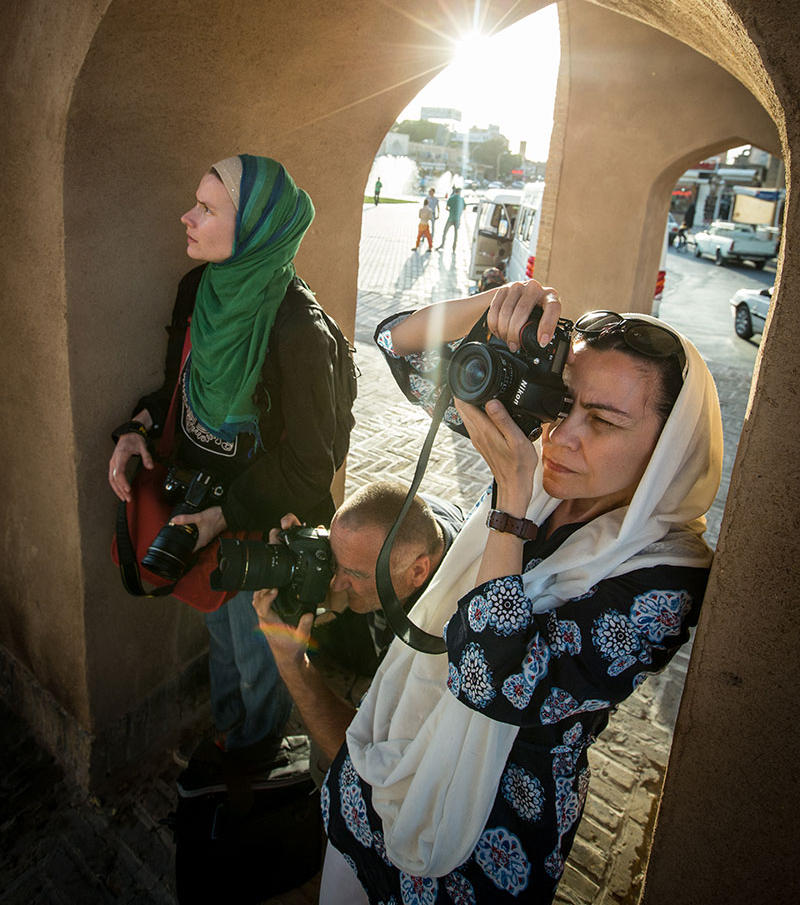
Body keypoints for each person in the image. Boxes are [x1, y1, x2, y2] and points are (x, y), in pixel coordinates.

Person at [319, 278, 722, 903]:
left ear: (667, 449)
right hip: (386, 766)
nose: (559, 438)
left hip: (488, 833)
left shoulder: (667, 580)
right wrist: (493, 307)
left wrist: (510, 506)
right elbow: (398, 345)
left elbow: (495, 681)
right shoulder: (544, 478)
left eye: (603, 420)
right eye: (563, 405)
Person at [108, 154, 353, 771]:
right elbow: (177, 387)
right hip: (200, 507)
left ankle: (253, 761)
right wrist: (137, 427)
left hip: (258, 519)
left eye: (208, 208)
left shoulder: (300, 329)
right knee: (216, 633)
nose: (186, 216)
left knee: (259, 651)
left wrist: (224, 516)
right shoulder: (199, 289)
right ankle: (228, 737)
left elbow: (308, 465)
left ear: (254, 230)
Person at [252, 480, 464, 784]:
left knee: (327, 765)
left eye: (353, 573)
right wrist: (304, 566)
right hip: (383, 629)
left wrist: (293, 664)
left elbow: (369, 762)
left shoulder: (441, 641)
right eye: (336, 564)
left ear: (418, 571)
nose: (337, 583)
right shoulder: (417, 527)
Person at [438, 185, 465, 250]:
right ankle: (454, 248)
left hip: (450, 218)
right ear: (460, 192)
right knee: (456, 235)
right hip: (457, 219)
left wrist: (451, 210)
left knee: (445, 231)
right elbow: (464, 208)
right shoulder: (462, 199)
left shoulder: (451, 198)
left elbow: (446, 208)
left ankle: (442, 245)